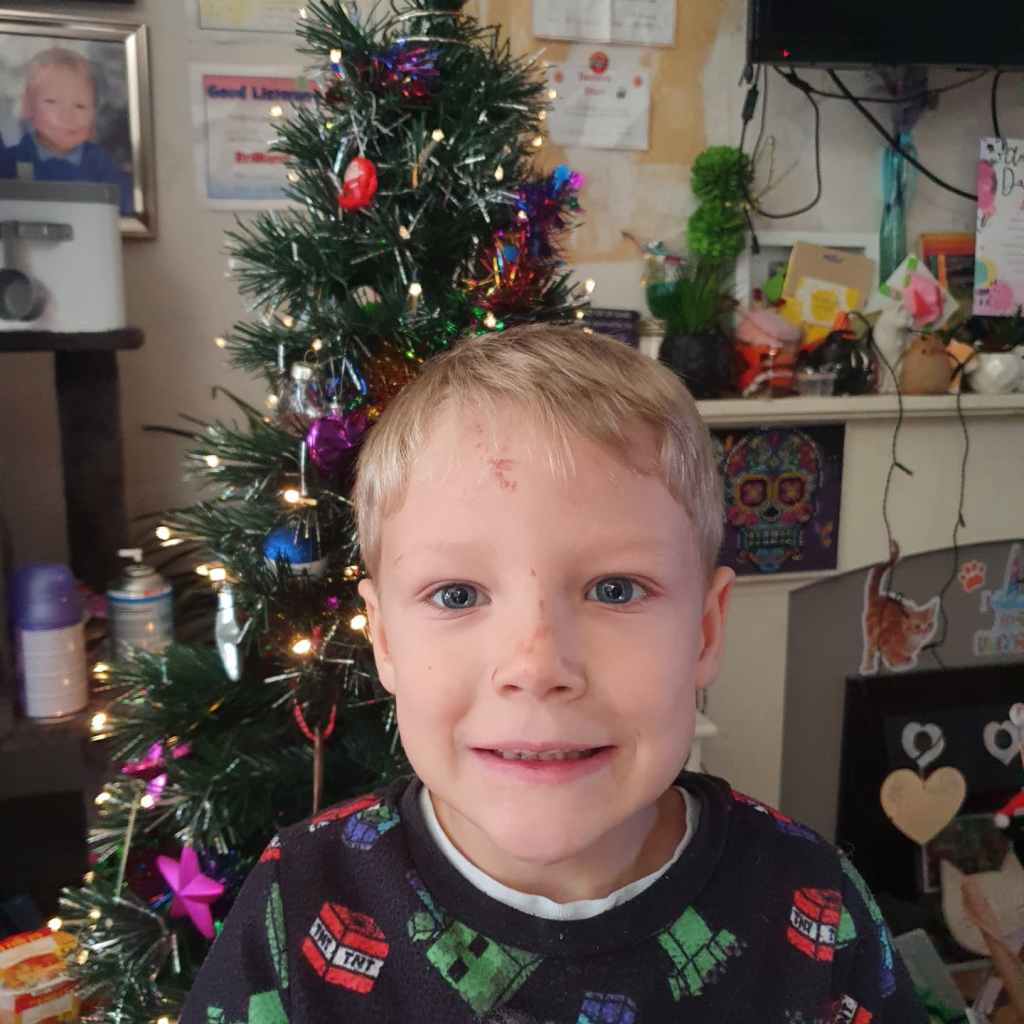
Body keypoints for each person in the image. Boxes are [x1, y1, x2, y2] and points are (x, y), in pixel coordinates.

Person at [181, 324, 927, 1022]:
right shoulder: (298, 896)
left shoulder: (812, 897)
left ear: (704, 629)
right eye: (457, 595)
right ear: (384, 642)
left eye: (615, 590)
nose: (537, 668)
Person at [0, 47, 133, 214]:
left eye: (80, 106)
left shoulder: (101, 164)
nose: (67, 116)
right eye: (51, 102)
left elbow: (125, 209)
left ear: (94, 113)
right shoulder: (11, 161)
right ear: (28, 105)